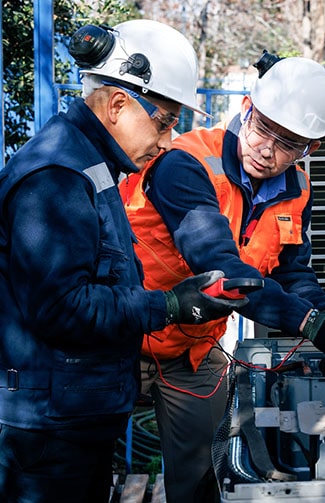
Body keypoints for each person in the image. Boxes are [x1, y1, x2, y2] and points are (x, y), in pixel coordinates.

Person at [0, 20, 247, 503]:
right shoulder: (56, 177)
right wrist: (171, 306)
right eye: (164, 121)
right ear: (118, 105)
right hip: (49, 434)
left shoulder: (89, 163)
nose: (170, 140)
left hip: (72, 418)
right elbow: (61, 308)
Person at [121, 51, 325, 502]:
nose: (267, 149)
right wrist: (310, 323)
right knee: (78, 469)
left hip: (191, 349)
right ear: (245, 108)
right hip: (121, 334)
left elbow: (294, 271)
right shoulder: (186, 163)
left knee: (204, 480)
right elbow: (220, 268)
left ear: (309, 149)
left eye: (288, 143)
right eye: (262, 129)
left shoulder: (297, 188)